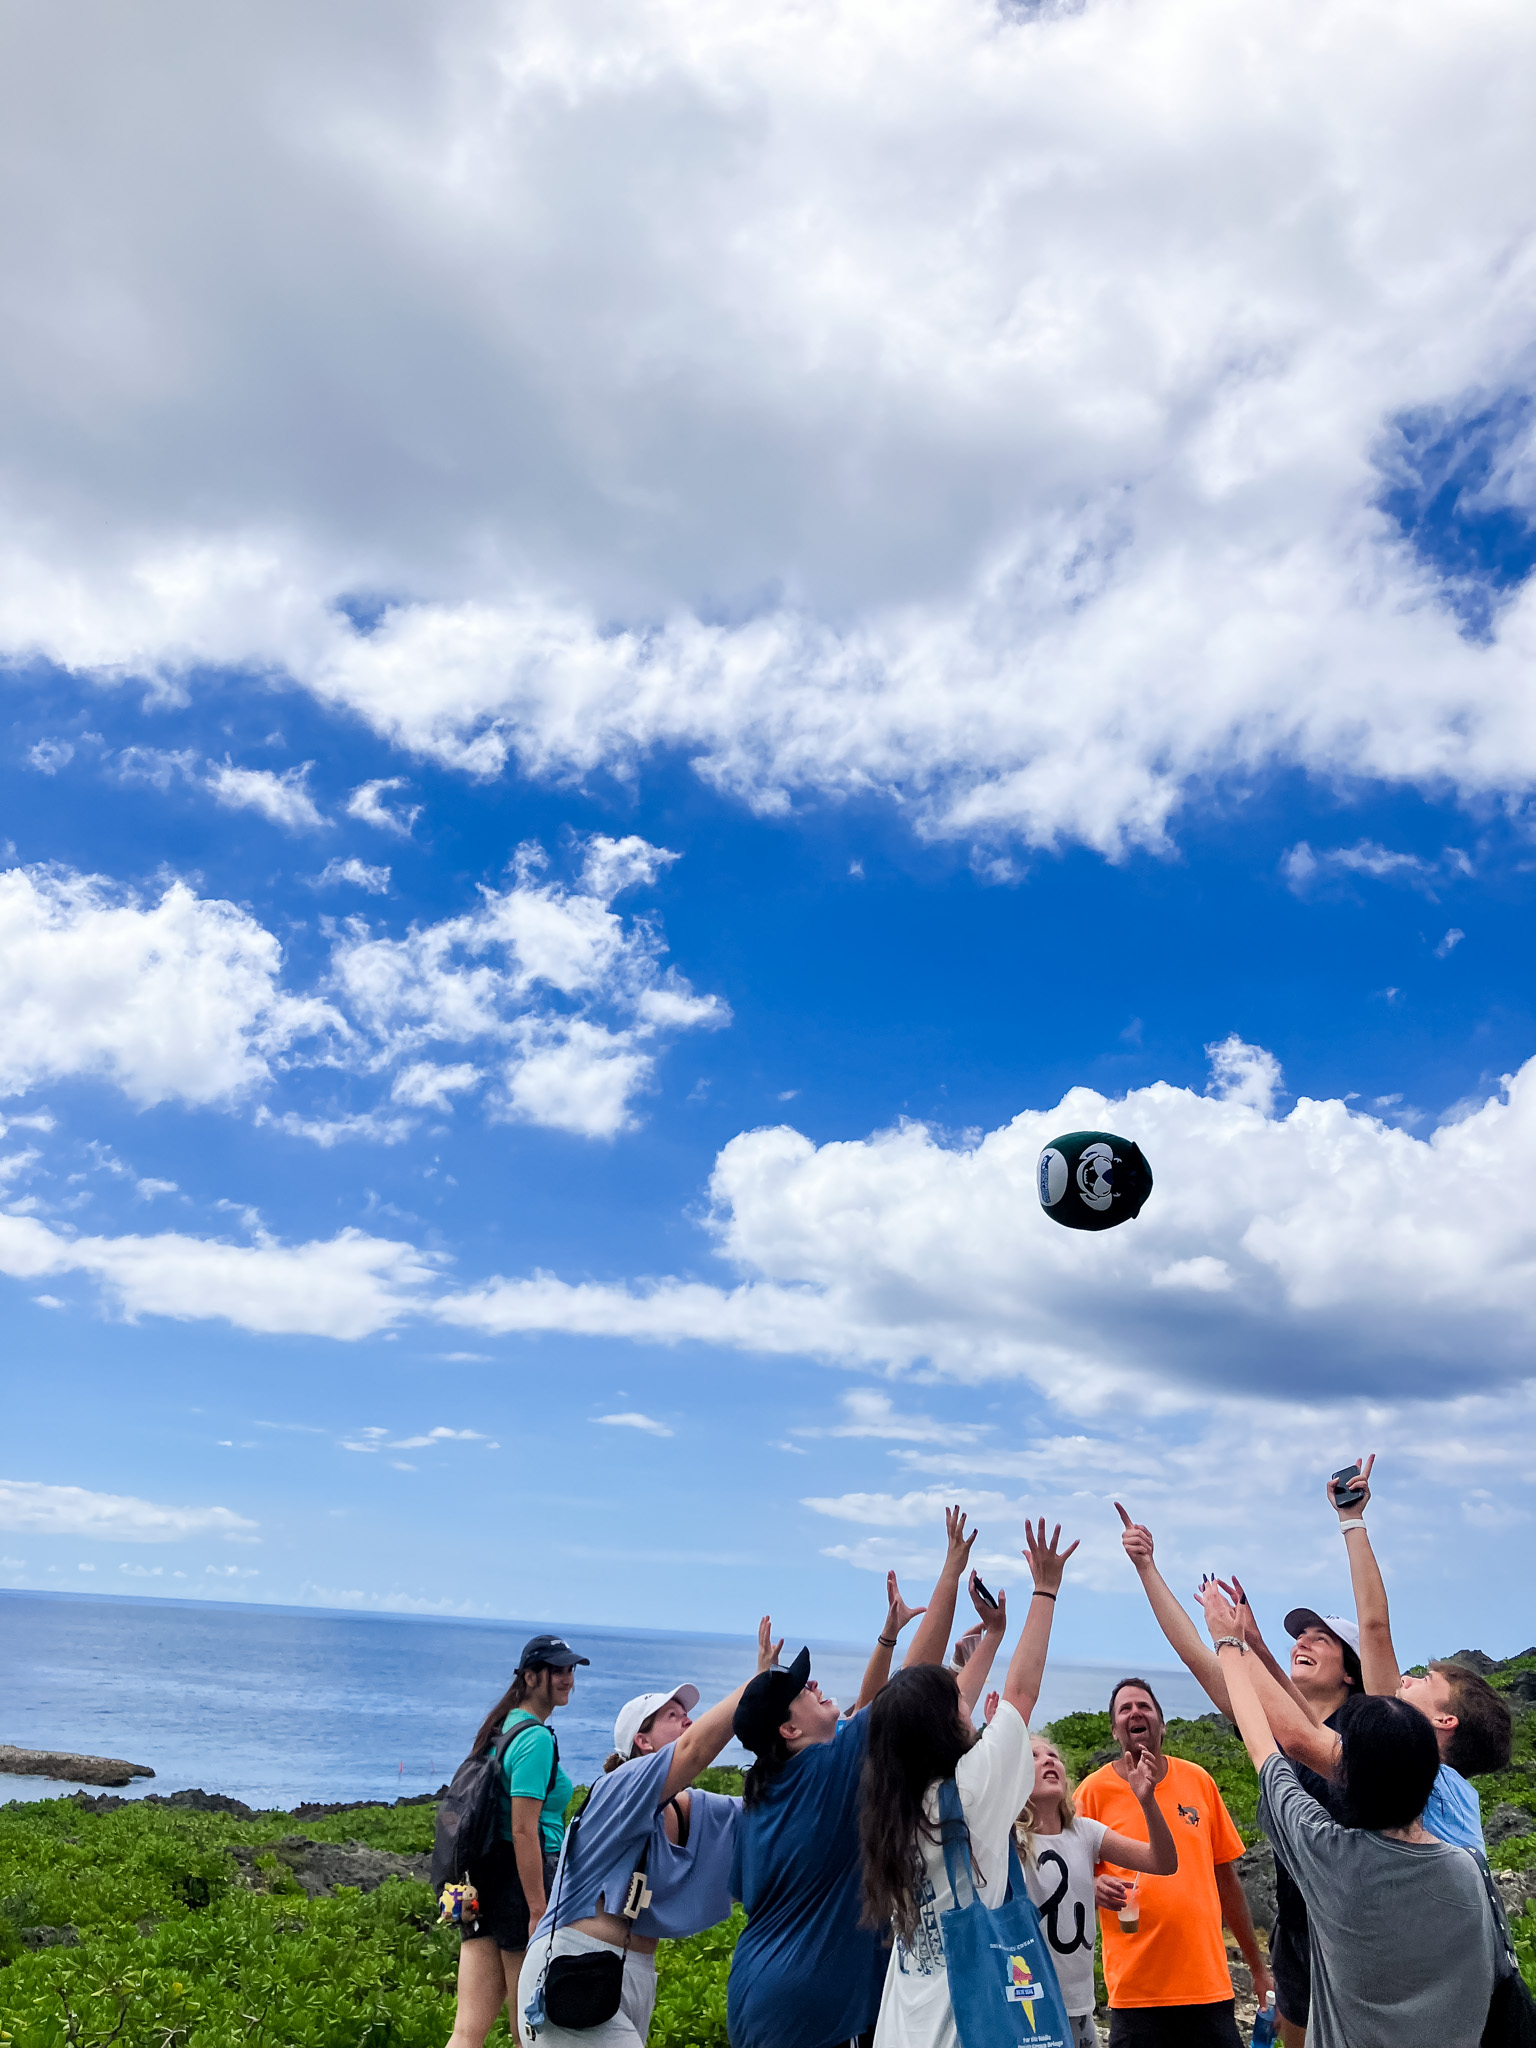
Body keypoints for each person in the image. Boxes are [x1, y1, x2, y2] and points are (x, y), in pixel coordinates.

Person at [727, 1508, 995, 2048]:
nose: (815, 1683)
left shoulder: (764, 1796)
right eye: (801, 1689)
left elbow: (874, 1706)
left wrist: (887, 1635)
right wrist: (951, 1569)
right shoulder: (826, 1772)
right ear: (788, 1729)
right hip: (811, 2011)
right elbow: (910, 1692)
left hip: (757, 1997)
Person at [1195, 1578, 1499, 2048]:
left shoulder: (1328, 1855)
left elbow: (1269, 1745)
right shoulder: (1465, 1866)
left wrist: (1228, 1644)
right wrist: (1242, 1645)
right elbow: (1296, 1736)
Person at [1115, 1501, 1354, 2046]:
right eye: (1302, 1636)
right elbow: (1202, 1659)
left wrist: (1239, 1644)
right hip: (1298, 1933)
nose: (1305, 1642)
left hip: (1352, 1931)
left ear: (1351, 1673)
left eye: (1323, 1639)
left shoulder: (1359, 1733)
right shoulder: (1283, 1729)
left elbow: (1295, 1720)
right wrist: (1148, 1567)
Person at [859, 1517, 1078, 2048]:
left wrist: (993, 1636)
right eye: (958, 1700)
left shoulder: (891, 1804)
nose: (968, 1701)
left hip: (902, 2027)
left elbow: (929, 1706)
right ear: (943, 1723)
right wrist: (1045, 1589)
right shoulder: (973, 1789)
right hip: (966, 2027)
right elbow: (1020, 1694)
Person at [518, 1617, 779, 2048]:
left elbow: (773, 1815)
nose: (689, 1723)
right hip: (576, 1963)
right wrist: (758, 1682)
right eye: (674, 1716)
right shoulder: (620, 1787)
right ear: (641, 1742)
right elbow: (694, 1752)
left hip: (632, 1972)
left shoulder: (690, 1806)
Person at [1075, 1675, 1272, 2047]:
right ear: (1115, 1730)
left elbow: (1226, 1880)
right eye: (1125, 1709)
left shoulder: (1198, 1781)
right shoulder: (1092, 1793)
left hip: (1207, 1987)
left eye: (1144, 1706)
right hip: (1135, 1993)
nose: (1135, 1712)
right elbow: (1066, 1871)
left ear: (1162, 1726)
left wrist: (1258, 1970)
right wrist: (1092, 1884)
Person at [1326, 1455, 1510, 1845]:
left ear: (1445, 1721)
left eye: (1426, 1681)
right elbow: (1373, 1629)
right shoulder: (1460, 1798)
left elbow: (1375, 1630)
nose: (1406, 1679)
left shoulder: (1416, 1775)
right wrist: (1352, 1519)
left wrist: (1236, 1645)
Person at [447, 1632, 588, 2048]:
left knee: (467, 2032)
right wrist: (538, 1909)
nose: (567, 1679)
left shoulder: (502, 1729)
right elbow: (525, 1830)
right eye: (557, 1671)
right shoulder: (536, 1739)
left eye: (570, 1670)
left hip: (484, 1883)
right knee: (527, 2031)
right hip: (520, 1887)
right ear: (530, 1677)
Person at [1016, 1734, 1178, 2048]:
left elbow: (1163, 1861)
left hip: (1080, 2008)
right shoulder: (1012, 1838)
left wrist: (1147, 1801)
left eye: (1054, 1755)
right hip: (1029, 2005)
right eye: (1034, 1757)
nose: (1050, 1760)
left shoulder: (1085, 1831)